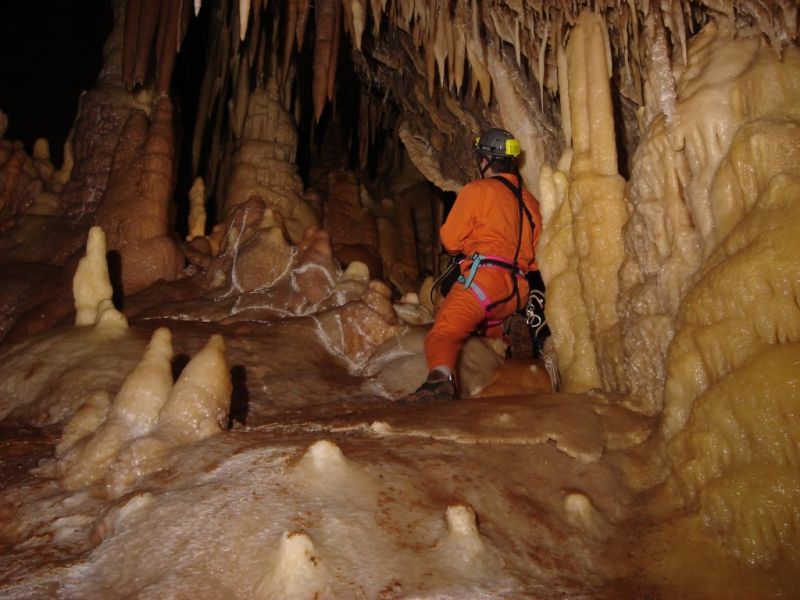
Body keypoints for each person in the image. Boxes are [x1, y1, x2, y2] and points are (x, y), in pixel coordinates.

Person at [401, 127, 542, 404]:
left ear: (485, 161)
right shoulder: (530, 203)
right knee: (490, 335)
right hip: (516, 292)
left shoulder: (477, 190)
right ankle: (506, 369)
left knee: (444, 331)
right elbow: (537, 258)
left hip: (484, 280)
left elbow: (450, 240)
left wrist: (471, 248)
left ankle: (439, 382)